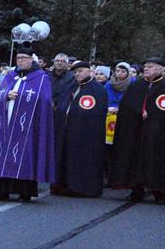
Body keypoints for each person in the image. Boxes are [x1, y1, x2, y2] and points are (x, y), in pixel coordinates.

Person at [0, 43, 56, 202]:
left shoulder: (41, 78)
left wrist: (21, 97)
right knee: (3, 155)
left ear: (31, 60)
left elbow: (45, 100)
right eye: (18, 58)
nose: (20, 61)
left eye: (23, 58)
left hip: (27, 127)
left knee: (25, 156)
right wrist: (6, 95)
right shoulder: (10, 75)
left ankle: (25, 192)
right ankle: (3, 191)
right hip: (5, 125)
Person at [109, 56, 165, 203]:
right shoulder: (137, 86)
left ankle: (159, 191)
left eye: (151, 66)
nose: (146, 69)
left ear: (161, 69)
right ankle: (136, 188)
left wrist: (152, 114)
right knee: (135, 159)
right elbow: (127, 107)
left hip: (158, 134)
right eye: (145, 66)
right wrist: (139, 111)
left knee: (156, 160)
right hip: (136, 132)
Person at [55, 61, 108, 197]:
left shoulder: (98, 89)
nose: (77, 74)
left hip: (86, 133)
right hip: (66, 131)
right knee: (66, 157)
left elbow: (97, 112)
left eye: (80, 71)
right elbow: (62, 106)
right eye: (75, 72)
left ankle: (81, 187)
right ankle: (62, 185)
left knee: (82, 159)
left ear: (90, 71)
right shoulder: (70, 87)